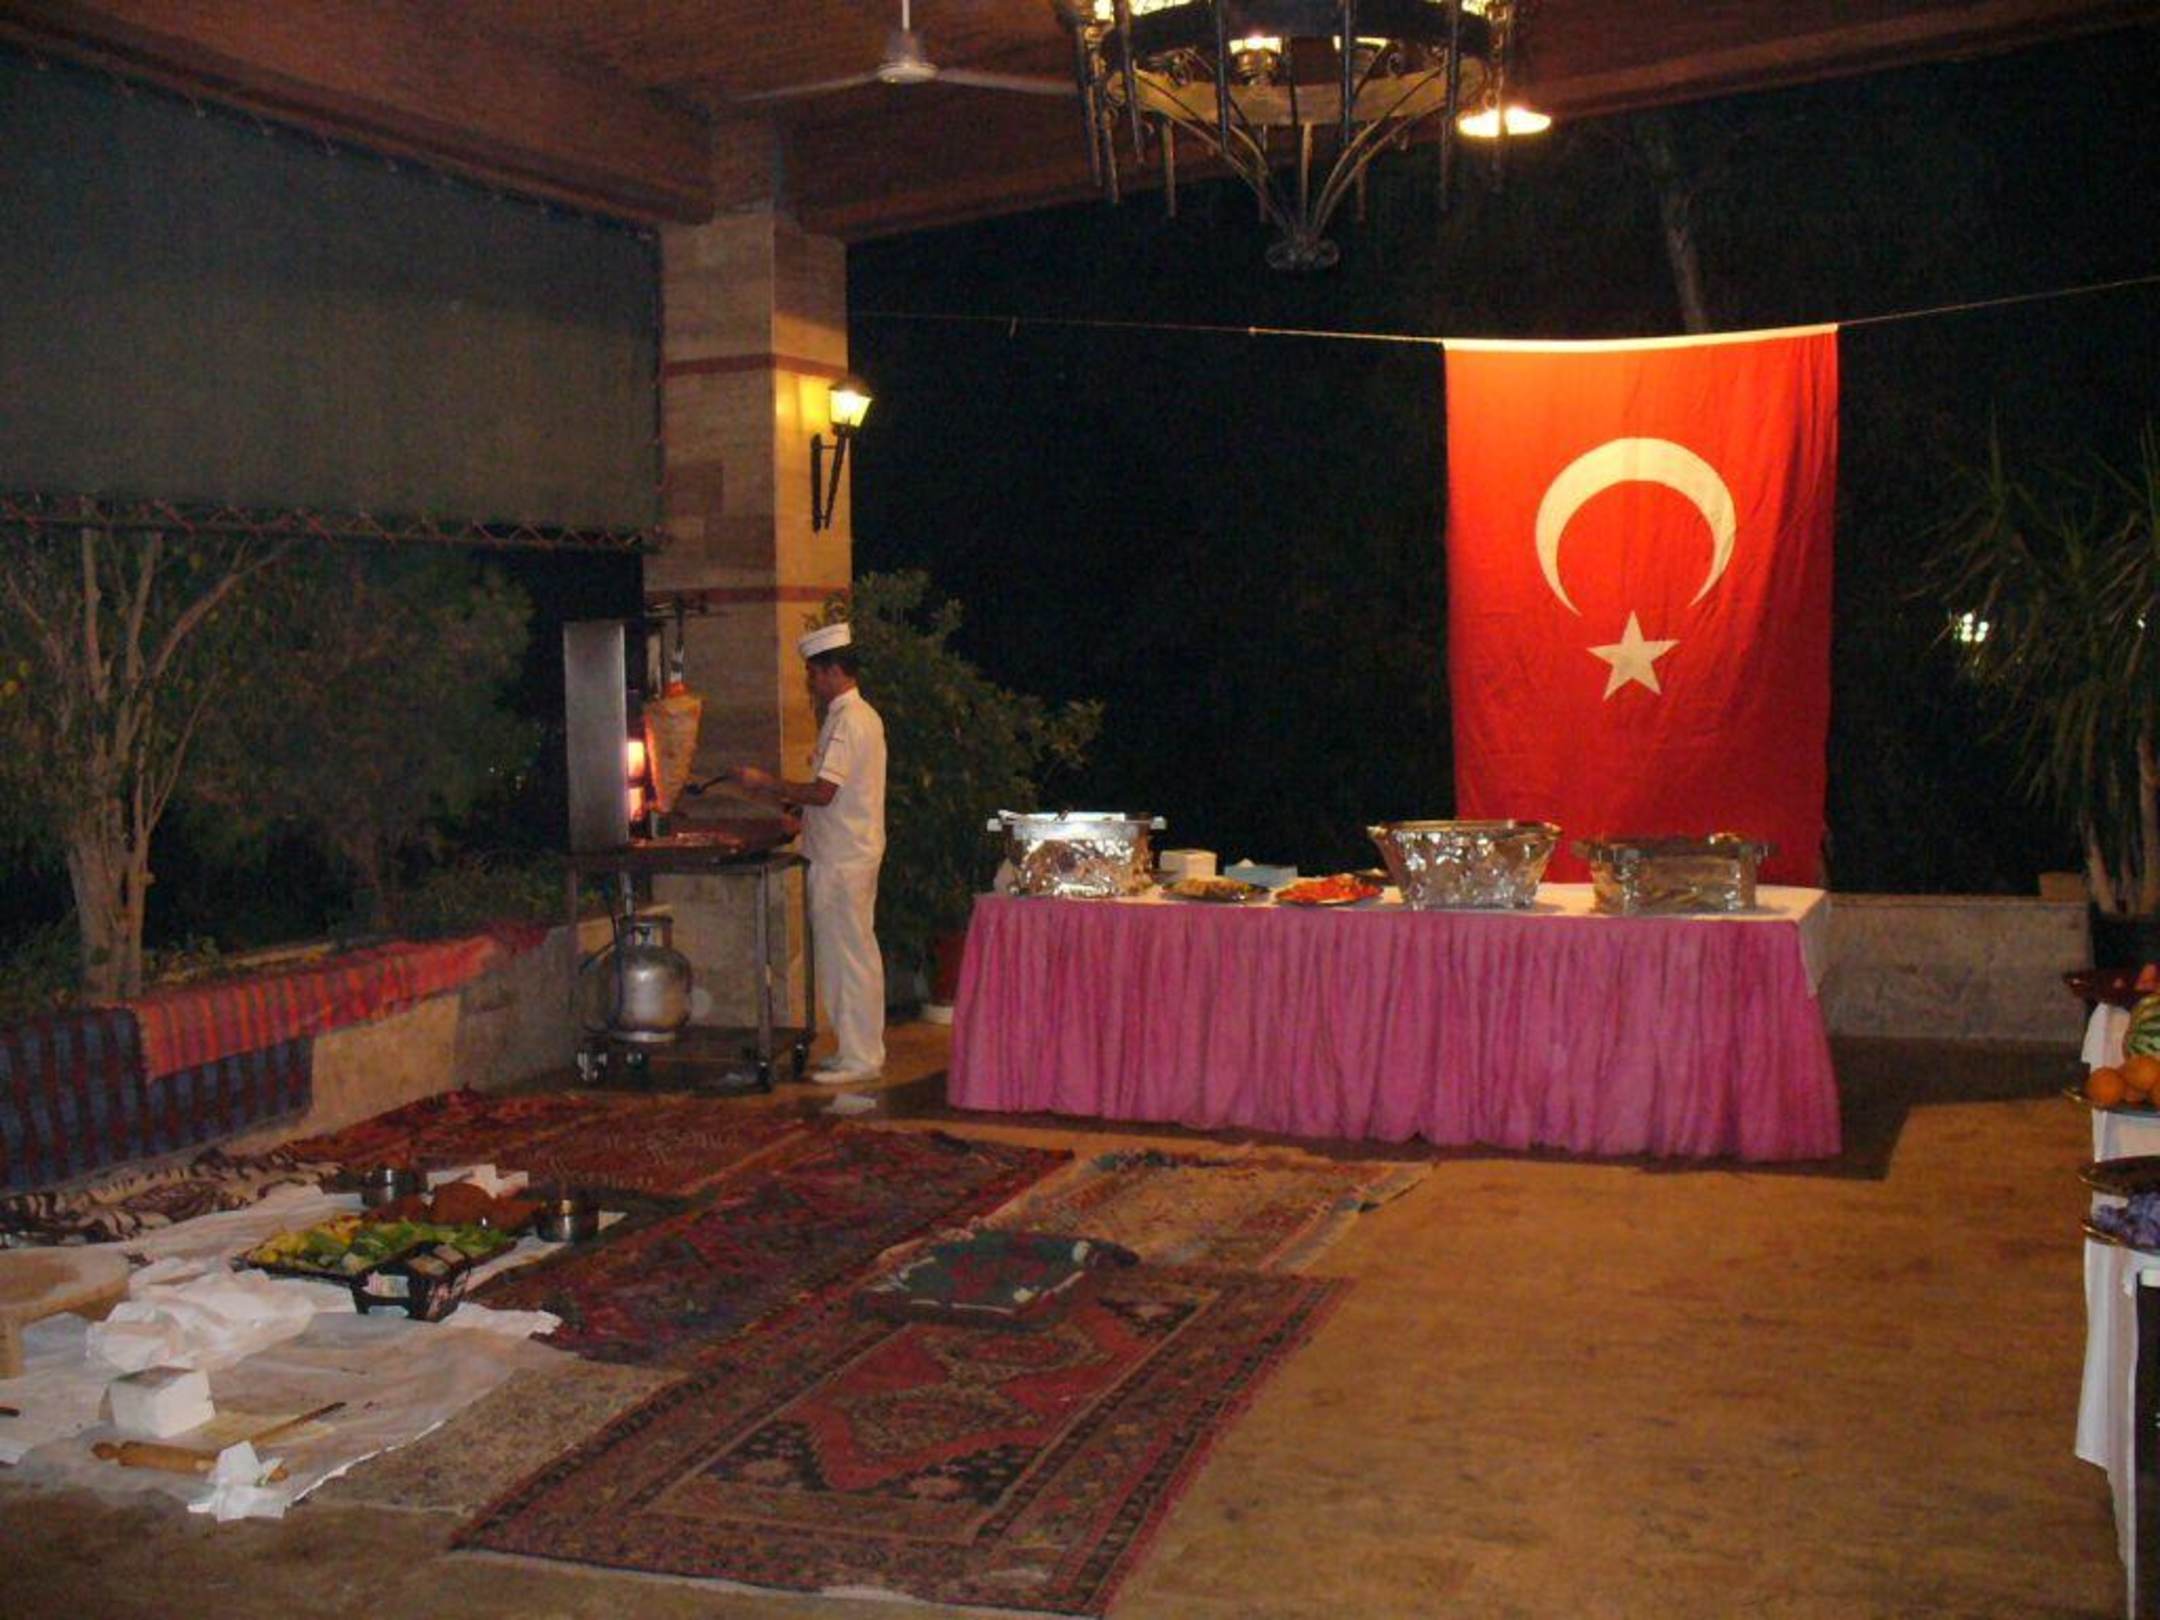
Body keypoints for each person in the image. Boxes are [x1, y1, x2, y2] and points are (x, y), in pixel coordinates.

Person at [731, 622, 887, 1083]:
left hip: (844, 859)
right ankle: (852, 1048)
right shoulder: (853, 717)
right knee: (842, 958)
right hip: (842, 851)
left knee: (849, 959)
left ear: (834, 670)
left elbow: (824, 791)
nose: (810, 683)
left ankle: (862, 1056)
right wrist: (801, 821)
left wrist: (767, 784)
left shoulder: (849, 720)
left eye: (814, 674)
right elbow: (840, 797)